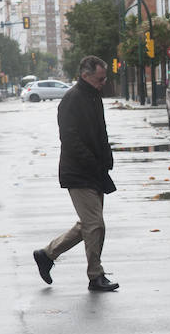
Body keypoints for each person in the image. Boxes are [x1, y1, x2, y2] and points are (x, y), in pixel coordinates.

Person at [33, 56, 119, 292]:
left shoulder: (93, 96)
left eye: (104, 78)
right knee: (95, 225)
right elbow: (70, 139)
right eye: (100, 79)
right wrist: (92, 162)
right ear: (86, 75)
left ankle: (47, 254)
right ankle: (95, 275)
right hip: (79, 172)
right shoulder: (72, 100)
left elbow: (101, 132)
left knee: (87, 225)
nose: (103, 83)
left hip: (95, 171)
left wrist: (106, 158)